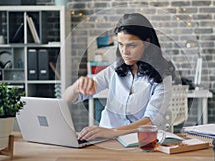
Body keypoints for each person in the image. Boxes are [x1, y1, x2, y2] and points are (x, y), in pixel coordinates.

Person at [63, 13, 174, 141]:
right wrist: (77, 87)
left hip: (139, 142)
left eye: (131, 45)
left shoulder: (162, 77)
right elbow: (66, 99)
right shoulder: (114, 69)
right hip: (105, 141)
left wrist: (113, 132)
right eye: (121, 44)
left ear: (147, 42)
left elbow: (149, 121)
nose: (124, 52)